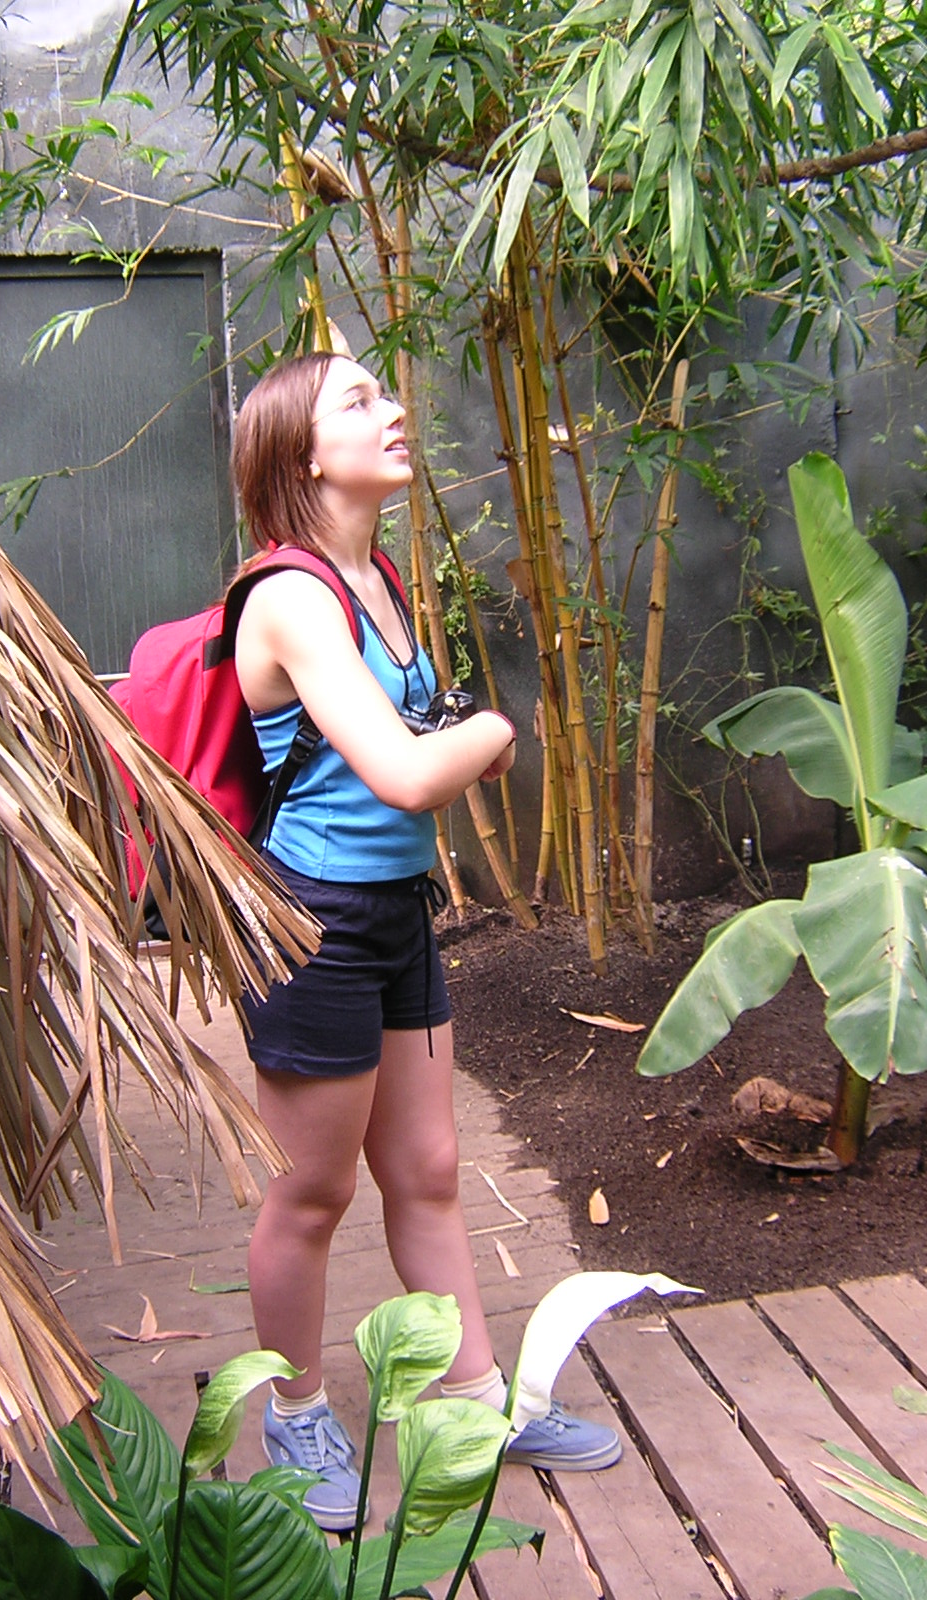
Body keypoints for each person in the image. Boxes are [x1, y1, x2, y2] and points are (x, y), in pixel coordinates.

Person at [231, 352, 621, 1532]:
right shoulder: (292, 596)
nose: (394, 410)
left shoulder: (379, 577)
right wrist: (492, 731)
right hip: (314, 922)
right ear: (304, 454)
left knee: (431, 1168)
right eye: (358, 402)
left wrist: (463, 748)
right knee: (313, 1189)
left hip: (395, 910)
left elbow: (404, 751)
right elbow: (405, 774)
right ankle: (296, 1412)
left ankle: (474, 1400)